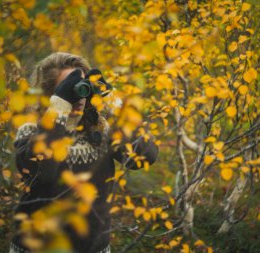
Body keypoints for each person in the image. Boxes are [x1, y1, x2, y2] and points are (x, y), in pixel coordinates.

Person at [9, 52, 158, 253]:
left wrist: (113, 102)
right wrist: (58, 109)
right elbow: (43, 174)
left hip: (94, 247)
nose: (78, 96)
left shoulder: (102, 129)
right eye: (69, 88)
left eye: (82, 87)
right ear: (50, 94)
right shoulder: (32, 131)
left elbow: (145, 157)